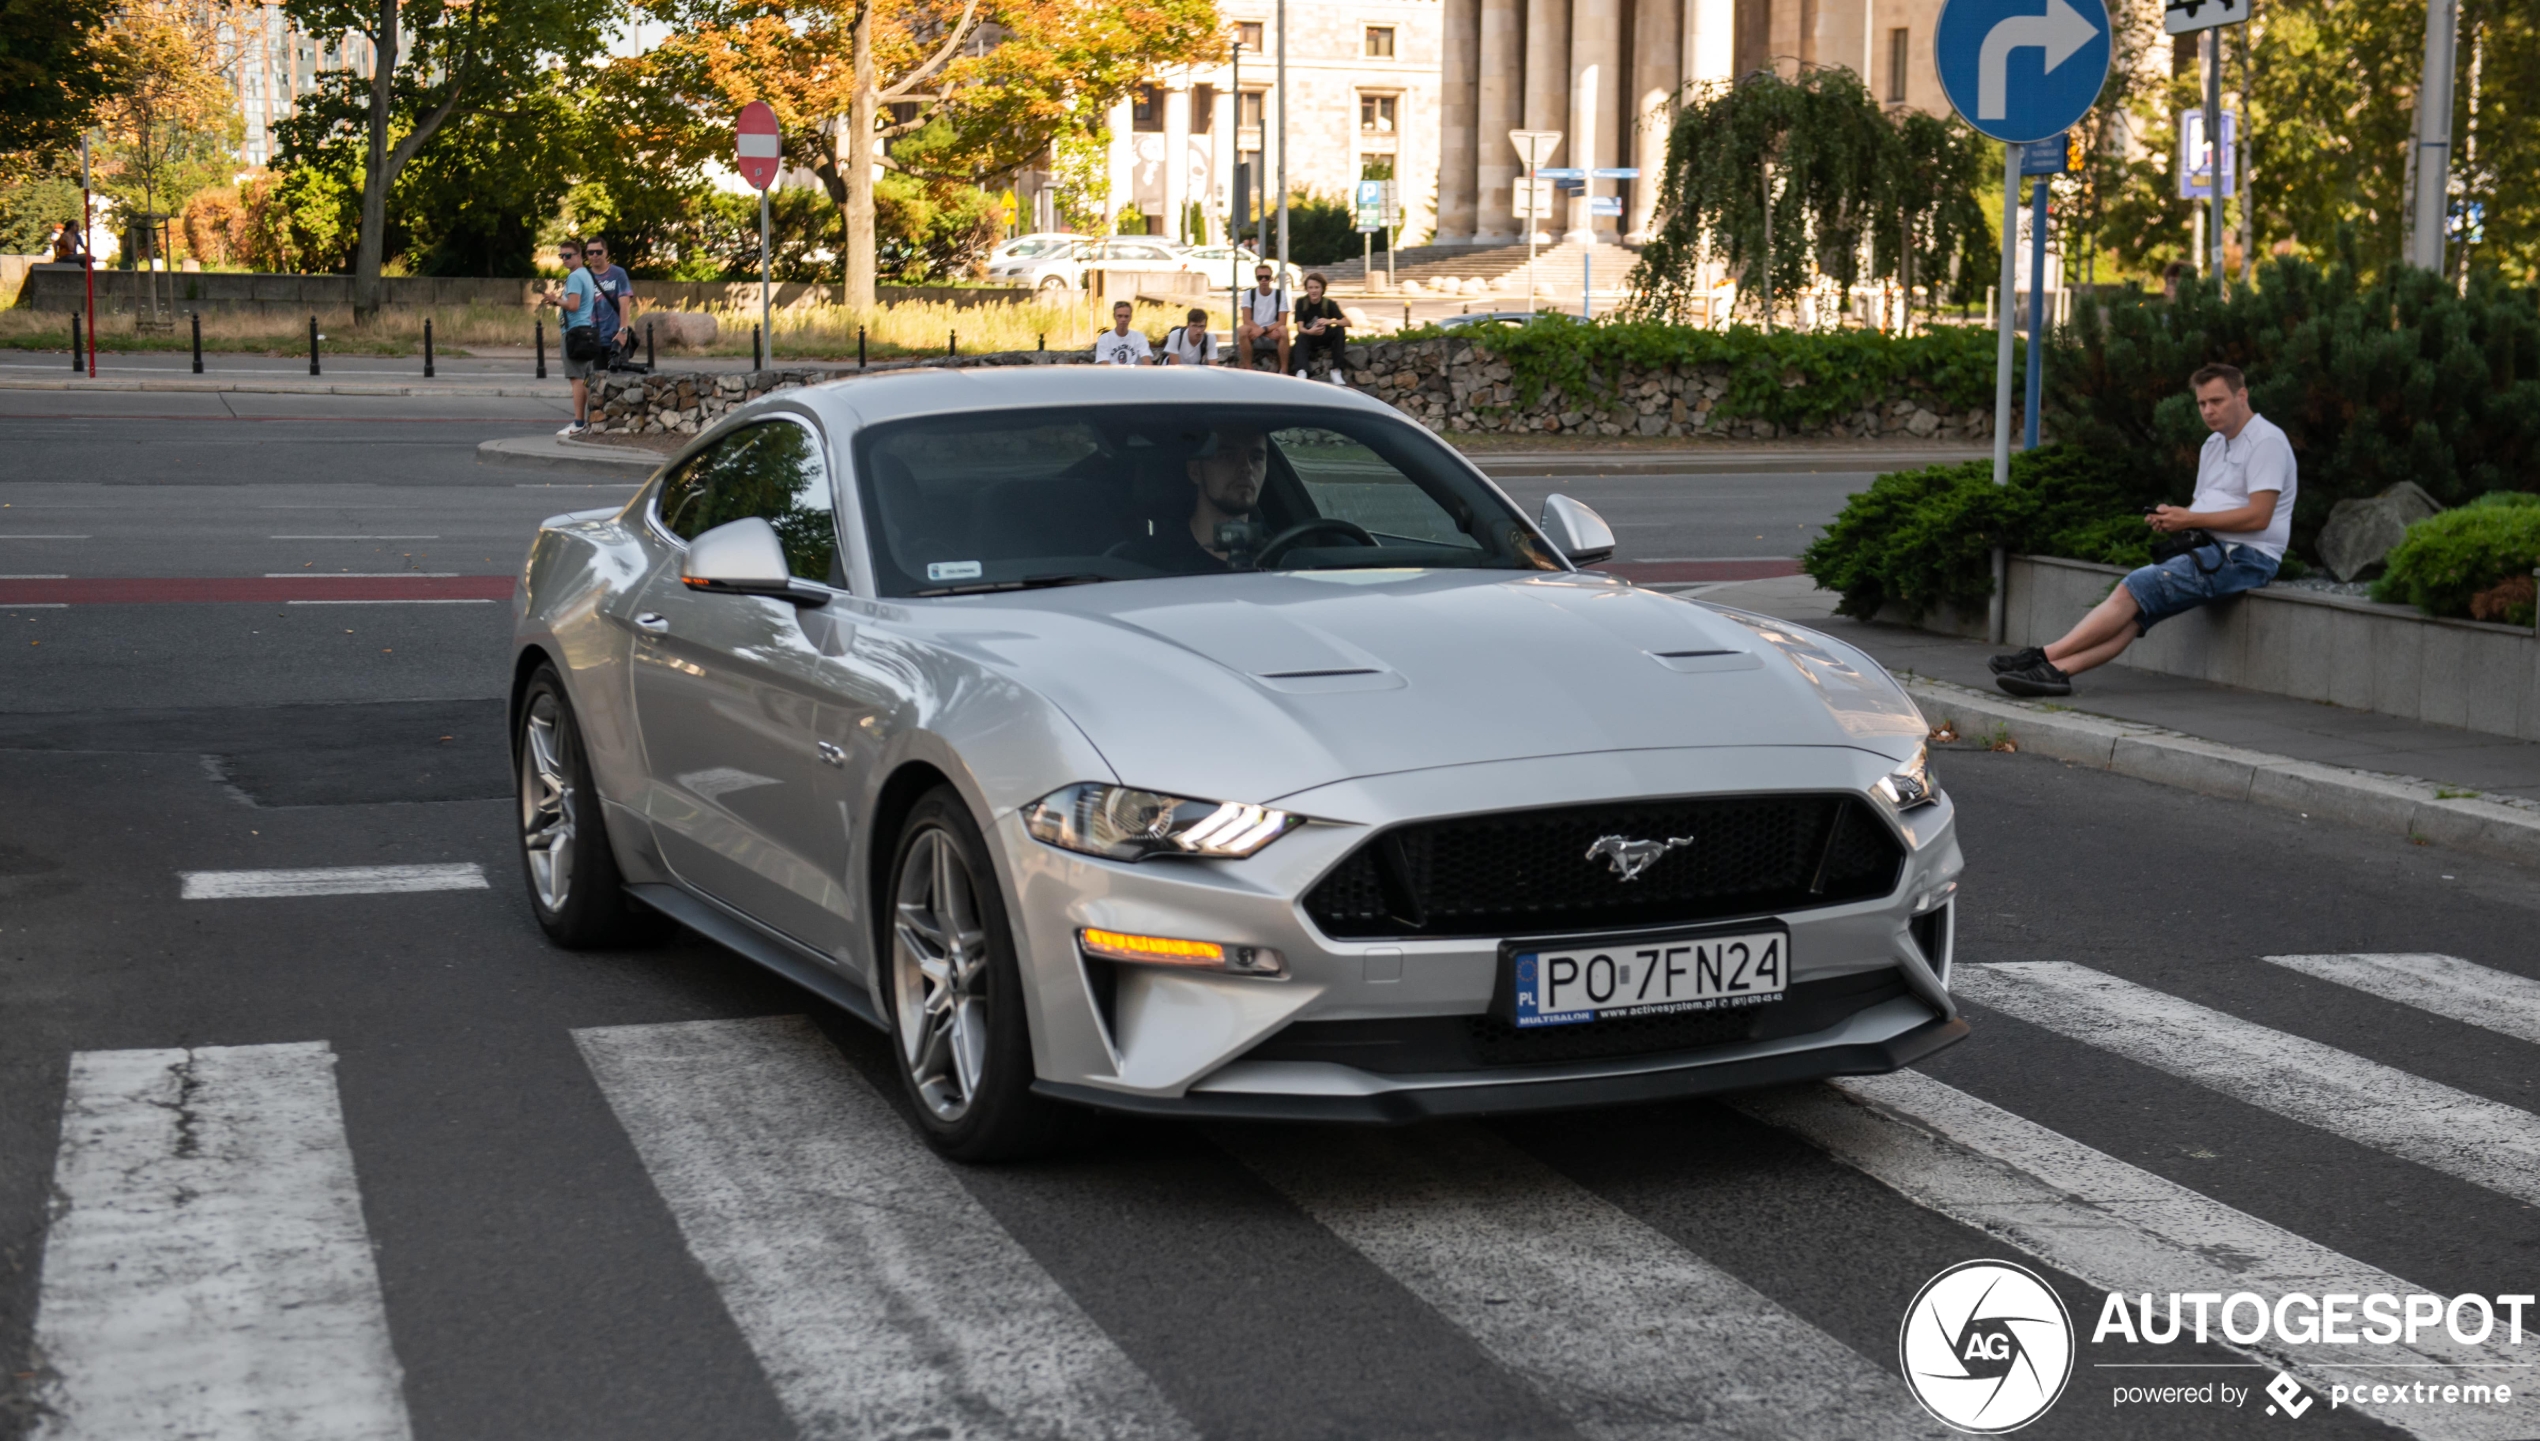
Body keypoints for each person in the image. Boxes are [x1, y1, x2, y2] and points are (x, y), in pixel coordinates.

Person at [1992, 363, 2297, 698]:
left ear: (2242, 396)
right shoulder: (2213, 444)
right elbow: (2202, 507)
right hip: (2211, 548)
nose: (2208, 411)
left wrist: (2190, 520)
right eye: (2202, 403)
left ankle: (2042, 657)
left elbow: (2259, 516)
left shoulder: (2267, 441)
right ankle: (2058, 673)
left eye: (2217, 401)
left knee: (2135, 587)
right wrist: (2173, 518)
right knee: (2137, 614)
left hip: (2246, 558)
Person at [1111, 425, 1269, 574]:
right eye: (1227, 456)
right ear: (1195, 470)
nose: (1247, 468)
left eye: (1256, 458)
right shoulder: (1146, 563)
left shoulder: (1284, 558)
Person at [552, 239, 599, 436]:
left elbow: (573, 305)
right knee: (585, 378)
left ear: (578, 256)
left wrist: (555, 300)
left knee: (576, 379)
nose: (564, 259)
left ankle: (579, 423)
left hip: (575, 333)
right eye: (561, 256)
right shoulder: (586, 274)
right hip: (586, 330)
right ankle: (586, 421)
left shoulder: (575, 277)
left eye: (568, 255)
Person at [584, 237, 636, 365]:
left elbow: (624, 303)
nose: (595, 255)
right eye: (591, 252)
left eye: (599, 252)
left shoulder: (618, 274)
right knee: (594, 382)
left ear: (606, 252)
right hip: (592, 339)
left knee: (618, 380)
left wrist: (623, 331)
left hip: (615, 338)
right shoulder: (583, 277)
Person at [1290, 273, 1347, 384]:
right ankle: (1302, 371)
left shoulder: (1329, 303)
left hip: (1325, 336)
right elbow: (1300, 328)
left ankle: (1336, 371)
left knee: (1340, 331)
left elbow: (1347, 322)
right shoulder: (1301, 303)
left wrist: (1330, 321)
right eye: (1310, 288)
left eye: (1317, 287)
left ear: (1322, 289)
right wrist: (1310, 331)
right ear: (1306, 289)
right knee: (1300, 338)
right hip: (1309, 336)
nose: (1313, 291)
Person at [1236, 264, 1287, 373]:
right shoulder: (1249, 294)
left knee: (1284, 330)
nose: (1263, 280)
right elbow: (1246, 319)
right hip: (1255, 332)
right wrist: (1261, 331)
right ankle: (1248, 368)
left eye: (1266, 277)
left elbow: (1282, 321)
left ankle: (1284, 369)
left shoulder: (1280, 294)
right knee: (1242, 330)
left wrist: (1264, 330)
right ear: (1256, 279)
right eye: (1260, 277)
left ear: (1271, 278)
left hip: (1273, 332)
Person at [1092, 300, 1152, 365]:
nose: (1123, 319)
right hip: (1112, 374)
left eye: (1126, 316)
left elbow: (1147, 360)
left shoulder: (1139, 337)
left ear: (1131, 317)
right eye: (1119, 316)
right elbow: (1105, 364)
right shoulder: (1104, 339)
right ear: (1114, 316)